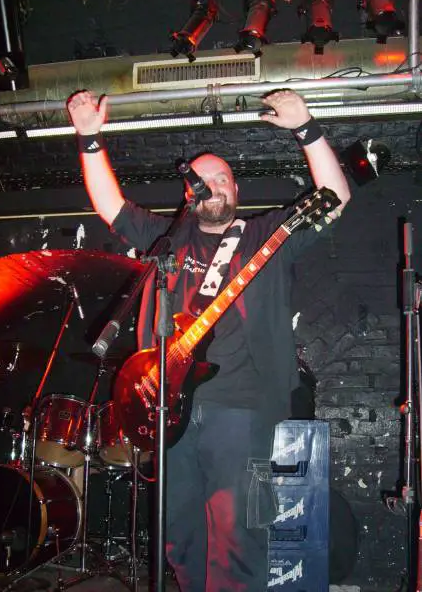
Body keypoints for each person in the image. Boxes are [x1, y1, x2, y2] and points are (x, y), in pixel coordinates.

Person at [67, 89, 351, 592]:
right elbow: (111, 206)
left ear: (235, 188)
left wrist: (306, 129)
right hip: (168, 409)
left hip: (241, 404)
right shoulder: (168, 237)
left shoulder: (265, 234)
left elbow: (336, 198)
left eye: (222, 178)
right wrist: (89, 137)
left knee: (239, 538)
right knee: (179, 536)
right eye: (202, 180)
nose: (213, 186)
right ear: (188, 193)